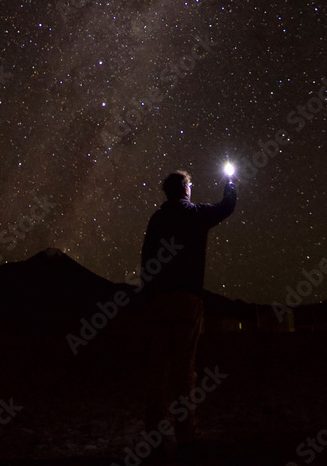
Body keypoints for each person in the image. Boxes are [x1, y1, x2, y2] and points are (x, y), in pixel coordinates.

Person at [140, 169, 237, 450]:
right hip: (187, 301)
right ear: (185, 189)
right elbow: (226, 207)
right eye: (190, 185)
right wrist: (230, 184)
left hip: (159, 301)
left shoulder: (157, 219)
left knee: (157, 369)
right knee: (184, 370)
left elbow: (146, 261)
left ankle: (154, 435)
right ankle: (186, 435)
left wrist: (148, 298)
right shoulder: (195, 214)